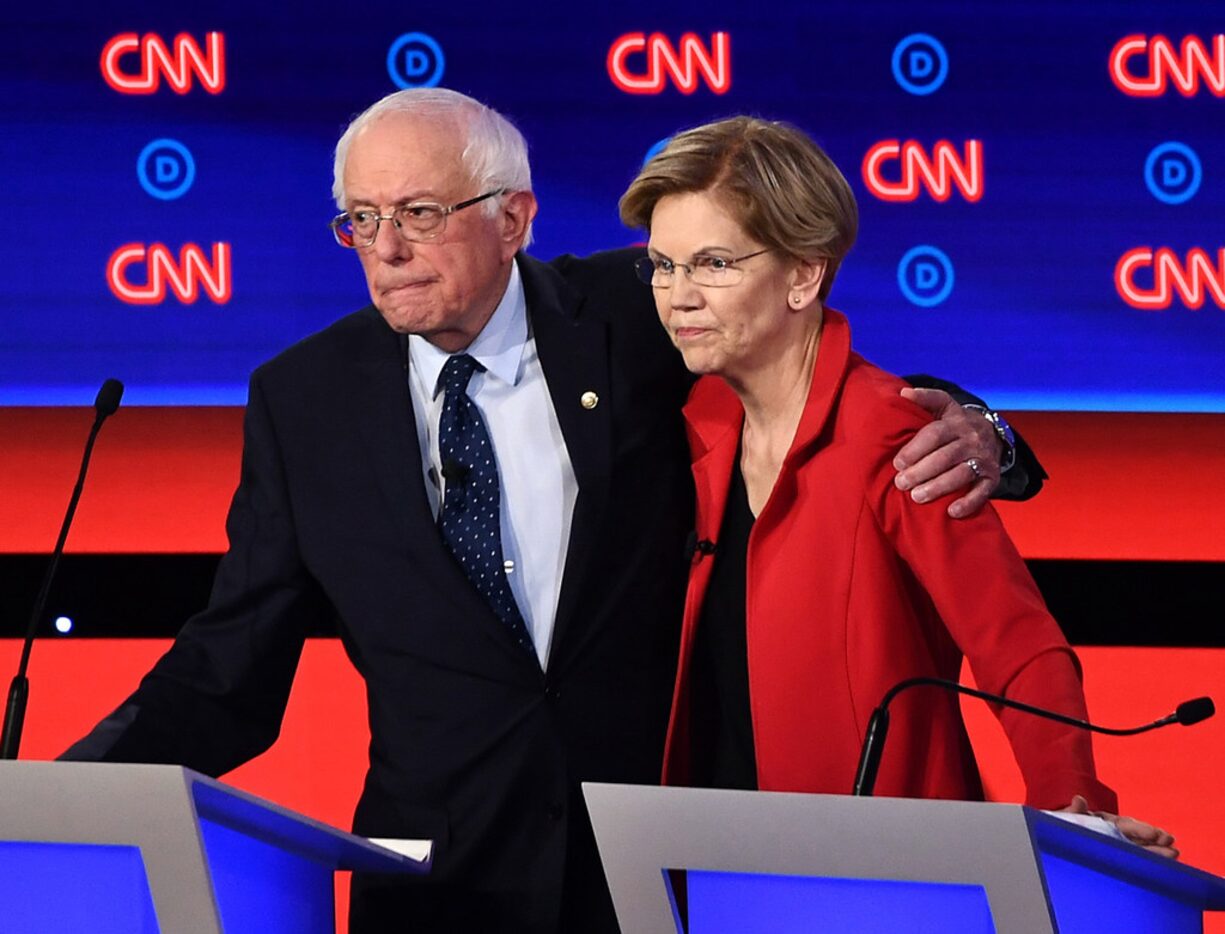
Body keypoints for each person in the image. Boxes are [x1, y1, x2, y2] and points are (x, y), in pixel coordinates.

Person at [63, 90, 1049, 933]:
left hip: (660, 874)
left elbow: (805, 373)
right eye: (359, 218)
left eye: (417, 211)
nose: (387, 249)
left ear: (514, 217)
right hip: (435, 889)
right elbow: (228, 666)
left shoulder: (634, 306)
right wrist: (63, 798)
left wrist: (985, 432)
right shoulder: (302, 398)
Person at [620, 116, 1177, 855]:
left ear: (802, 275)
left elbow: (1015, 642)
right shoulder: (691, 420)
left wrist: (1069, 804)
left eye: (713, 264)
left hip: (882, 868)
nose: (676, 296)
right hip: (710, 859)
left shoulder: (892, 435)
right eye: (663, 265)